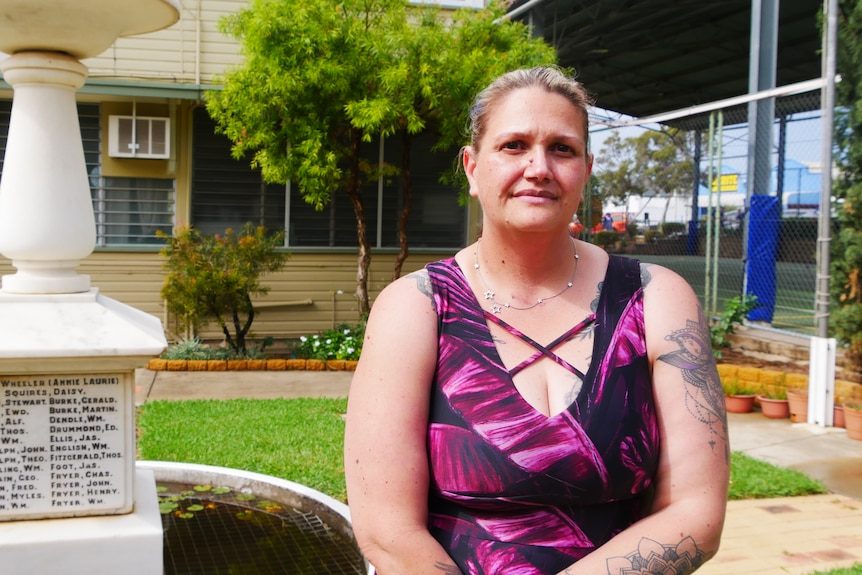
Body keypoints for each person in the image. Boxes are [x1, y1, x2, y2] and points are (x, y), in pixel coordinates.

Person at [344, 66, 728, 575]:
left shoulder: (657, 299)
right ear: (472, 167)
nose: (538, 166)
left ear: (586, 169)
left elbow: (697, 511)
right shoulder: (415, 308)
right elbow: (387, 531)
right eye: (514, 145)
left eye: (562, 149)